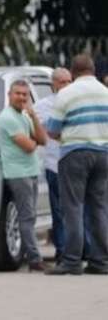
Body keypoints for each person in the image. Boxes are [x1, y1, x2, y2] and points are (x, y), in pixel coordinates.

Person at [45, 54, 108, 275]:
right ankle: (100, 262)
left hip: (74, 154)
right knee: (99, 208)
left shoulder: (66, 93)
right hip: (103, 155)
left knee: (72, 208)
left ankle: (72, 261)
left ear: (72, 73)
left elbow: (52, 129)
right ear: (93, 70)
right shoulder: (105, 93)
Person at [0, 79, 48, 271]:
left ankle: (31, 255)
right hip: (18, 173)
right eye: (17, 93)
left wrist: (33, 117)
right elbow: (28, 146)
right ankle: (35, 259)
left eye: (25, 94)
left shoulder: (25, 116)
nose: (21, 97)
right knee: (26, 218)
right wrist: (34, 142)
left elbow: (42, 139)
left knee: (30, 217)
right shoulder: (7, 117)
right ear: (9, 95)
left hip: (31, 171)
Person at [34, 68, 72, 263]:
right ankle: (63, 250)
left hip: (75, 164)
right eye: (62, 82)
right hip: (54, 164)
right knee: (58, 211)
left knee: (79, 210)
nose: (66, 86)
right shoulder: (42, 106)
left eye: (69, 82)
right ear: (53, 85)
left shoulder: (77, 102)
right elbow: (28, 124)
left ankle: (83, 250)